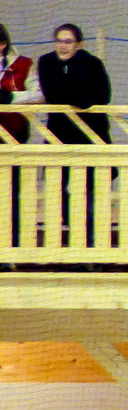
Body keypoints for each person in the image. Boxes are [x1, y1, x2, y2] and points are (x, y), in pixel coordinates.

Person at [35, 24, 112, 247]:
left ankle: (90, 243)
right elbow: (53, 95)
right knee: (57, 186)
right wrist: (78, 97)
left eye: (68, 41)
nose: (63, 46)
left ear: (79, 44)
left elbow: (101, 96)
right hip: (58, 134)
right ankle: (71, 236)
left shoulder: (91, 63)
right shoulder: (46, 62)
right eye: (59, 40)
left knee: (88, 189)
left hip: (90, 135)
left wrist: (78, 97)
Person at [0, 23, 44, 248]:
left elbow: (39, 95)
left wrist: (10, 99)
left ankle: (12, 248)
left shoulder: (23, 64)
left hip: (13, 136)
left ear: (2, 44)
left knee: (11, 194)